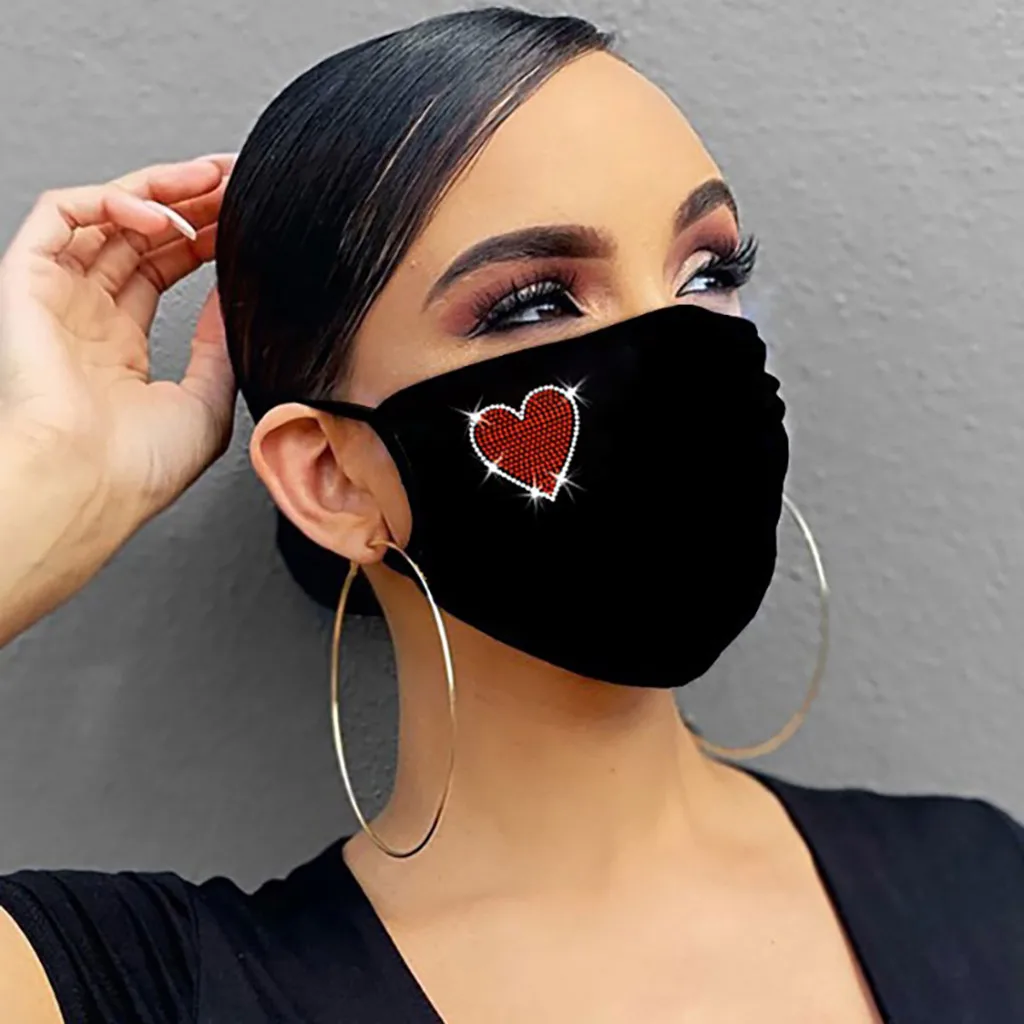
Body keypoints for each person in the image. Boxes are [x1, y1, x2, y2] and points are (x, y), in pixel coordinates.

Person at [0, 8, 1022, 1023]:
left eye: (707, 273)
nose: (681, 351)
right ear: (334, 478)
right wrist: (51, 477)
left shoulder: (983, 883)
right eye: (534, 302)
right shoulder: (146, 990)